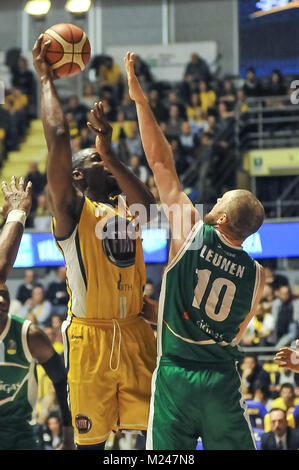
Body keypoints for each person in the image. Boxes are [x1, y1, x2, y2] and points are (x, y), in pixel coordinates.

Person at [124, 51, 266, 450]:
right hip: (221, 380)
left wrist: (140, 99)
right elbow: (231, 334)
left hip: (176, 378)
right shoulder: (258, 276)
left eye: (220, 200)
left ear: (221, 219)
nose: (214, 200)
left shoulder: (189, 228)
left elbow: (160, 163)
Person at [32, 36, 157, 450]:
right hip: (90, 340)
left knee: (155, 438)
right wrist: (46, 80)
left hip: (136, 332)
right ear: (80, 177)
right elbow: (58, 139)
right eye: (96, 161)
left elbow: (150, 206)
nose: (104, 163)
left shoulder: (128, 209)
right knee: (92, 444)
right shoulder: (72, 211)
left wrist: (108, 149)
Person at [0, 176, 74, 450]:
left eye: (5, 294)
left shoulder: (28, 335)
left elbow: (61, 380)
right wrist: (17, 214)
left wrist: (68, 436)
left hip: (19, 437)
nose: (0, 298)